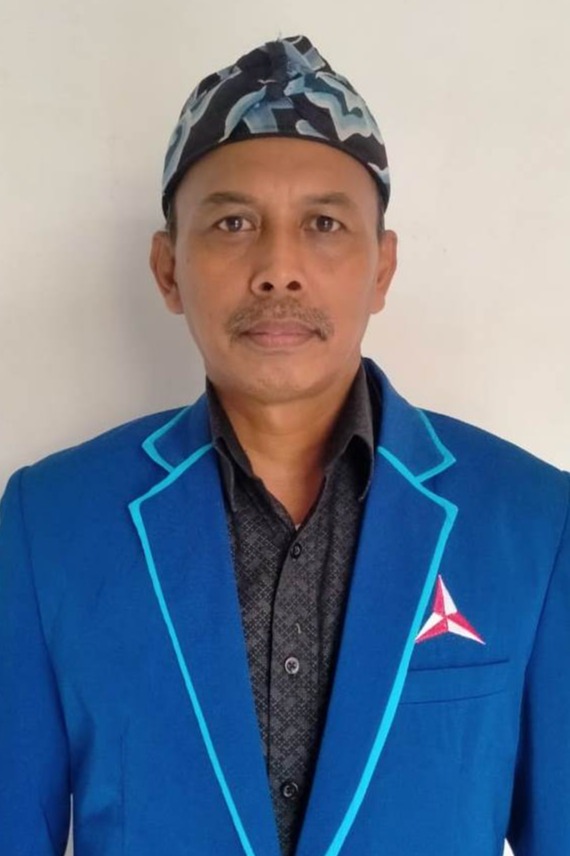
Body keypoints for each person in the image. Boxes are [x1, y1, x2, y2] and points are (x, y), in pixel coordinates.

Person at [0, 34, 569, 856]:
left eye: (324, 224)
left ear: (382, 268)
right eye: (233, 222)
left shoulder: (531, 523)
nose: (279, 269)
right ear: (167, 268)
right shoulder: (50, 523)